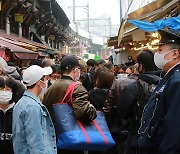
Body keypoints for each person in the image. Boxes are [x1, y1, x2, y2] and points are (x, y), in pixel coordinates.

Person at [43, 55, 97, 154]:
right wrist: (92, 110)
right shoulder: (77, 88)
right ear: (75, 70)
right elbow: (82, 113)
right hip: (72, 138)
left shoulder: (51, 87)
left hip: (53, 137)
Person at [138, 30, 180, 153]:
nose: (157, 54)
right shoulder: (170, 76)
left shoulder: (177, 81)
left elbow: (174, 125)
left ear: (174, 54)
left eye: (160, 50)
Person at [116, 49, 161, 154]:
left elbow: (121, 112)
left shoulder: (132, 89)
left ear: (140, 66)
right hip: (160, 140)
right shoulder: (166, 84)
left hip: (137, 140)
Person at [12, 65, 57, 154]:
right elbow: (36, 143)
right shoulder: (33, 107)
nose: (46, 81)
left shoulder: (22, 103)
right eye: (44, 79)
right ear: (39, 83)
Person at [0, 76, 21, 154]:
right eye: (1, 89)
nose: (4, 92)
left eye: (8, 89)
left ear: (13, 92)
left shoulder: (19, 111)